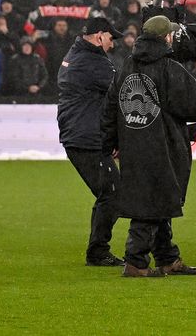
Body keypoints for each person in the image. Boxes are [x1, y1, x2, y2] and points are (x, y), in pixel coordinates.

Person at [100, 15, 196, 277]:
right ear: (167, 37)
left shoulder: (126, 65)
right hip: (164, 145)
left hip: (132, 144)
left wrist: (110, 141)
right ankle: (136, 262)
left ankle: (168, 258)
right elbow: (193, 107)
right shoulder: (171, 69)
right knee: (153, 202)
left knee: (158, 199)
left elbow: (111, 106)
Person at [56, 16, 124, 267]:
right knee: (113, 194)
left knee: (109, 193)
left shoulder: (74, 55)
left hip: (79, 134)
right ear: (98, 36)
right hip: (87, 138)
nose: (112, 44)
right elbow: (124, 90)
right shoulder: (94, 63)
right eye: (110, 38)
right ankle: (97, 251)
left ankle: (98, 249)